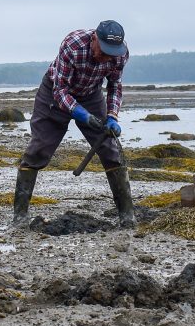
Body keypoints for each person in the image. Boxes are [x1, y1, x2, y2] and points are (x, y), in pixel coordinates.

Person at [13, 19, 133, 228]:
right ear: (94, 38)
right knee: (38, 150)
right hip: (54, 95)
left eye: (111, 53)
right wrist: (81, 114)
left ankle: (127, 215)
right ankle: (20, 216)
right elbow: (60, 92)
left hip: (91, 94)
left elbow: (115, 86)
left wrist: (112, 116)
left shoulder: (119, 55)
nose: (106, 57)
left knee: (110, 150)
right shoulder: (73, 45)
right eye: (103, 50)